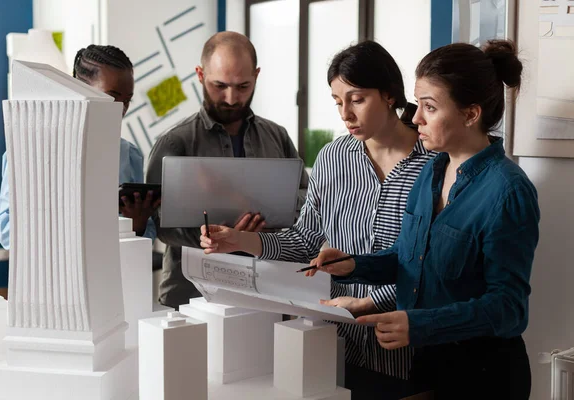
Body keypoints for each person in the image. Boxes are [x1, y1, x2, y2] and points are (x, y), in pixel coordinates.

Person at [199, 40, 436, 399]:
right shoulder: (332, 157)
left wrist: (373, 303)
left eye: (357, 99)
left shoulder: (435, 165)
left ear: (389, 94)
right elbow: (306, 240)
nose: (346, 114)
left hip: (407, 348)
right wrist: (239, 240)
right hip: (334, 343)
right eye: (338, 102)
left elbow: (434, 265)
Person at [308, 40, 539, 399]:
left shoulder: (508, 190)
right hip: (429, 363)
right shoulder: (431, 171)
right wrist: (353, 265)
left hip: (485, 375)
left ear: (470, 114)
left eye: (429, 108)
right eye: (418, 105)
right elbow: (410, 257)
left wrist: (418, 324)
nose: (415, 118)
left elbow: (509, 308)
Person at [145, 31, 309, 309]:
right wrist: (222, 235)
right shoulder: (175, 141)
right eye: (219, 85)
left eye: (243, 86)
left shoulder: (277, 136)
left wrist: (261, 229)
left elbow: (308, 200)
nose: (232, 98)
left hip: (266, 289)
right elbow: (158, 222)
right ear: (200, 75)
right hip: (190, 294)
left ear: (256, 76)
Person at [0, 44, 157, 248]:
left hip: (116, 273)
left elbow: (146, 235)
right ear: (79, 90)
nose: (121, 109)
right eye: (112, 97)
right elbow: (6, 229)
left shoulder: (128, 154)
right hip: (52, 272)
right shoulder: (30, 151)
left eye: (127, 100)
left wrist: (137, 227)